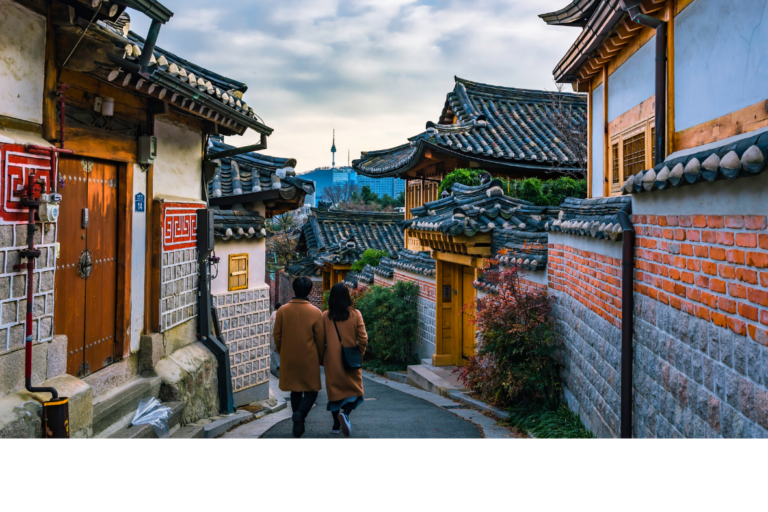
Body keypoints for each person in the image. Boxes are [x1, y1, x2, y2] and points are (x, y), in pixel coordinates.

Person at [273, 277, 325, 438]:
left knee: (295, 391)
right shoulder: (316, 313)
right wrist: (321, 358)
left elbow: (277, 335)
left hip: (289, 356)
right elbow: (320, 340)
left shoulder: (282, 311)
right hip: (309, 358)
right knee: (311, 391)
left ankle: (297, 419)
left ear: (294, 289)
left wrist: (282, 352)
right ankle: (300, 415)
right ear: (310, 291)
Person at [322, 284, 368, 437]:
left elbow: (320, 340)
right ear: (347, 297)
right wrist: (359, 353)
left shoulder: (325, 316)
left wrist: (323, 358)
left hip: (331, 360)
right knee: (357, 392)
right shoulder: (356, 315)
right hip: (351, 360)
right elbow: (363, 338)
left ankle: (336, 424)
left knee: (335, 393)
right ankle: (346, 414)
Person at [269, 302, 282, 376]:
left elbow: (269, 322)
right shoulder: (282, 313)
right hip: (281, 334)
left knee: (274, 350)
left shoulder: (273, 313)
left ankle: (277, 364)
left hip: (273, 334)